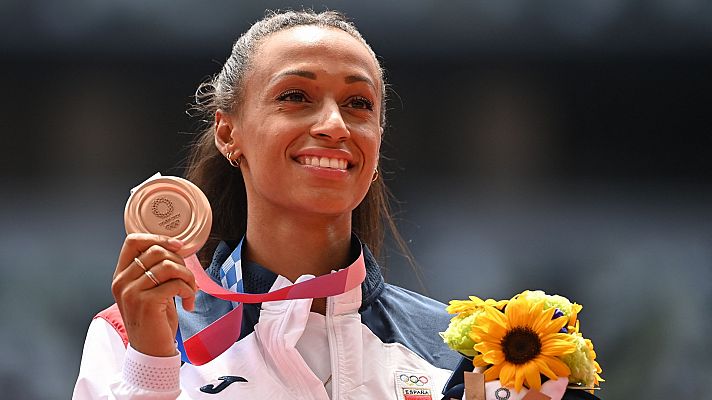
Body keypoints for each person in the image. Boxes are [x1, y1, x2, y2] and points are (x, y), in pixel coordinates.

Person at [73, 9, 461, 400]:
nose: (334, 125)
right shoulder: (131, 333)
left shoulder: (464, 349)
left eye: (358, 103)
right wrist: (150, 370)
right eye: (295, 97)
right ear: (228, 133)